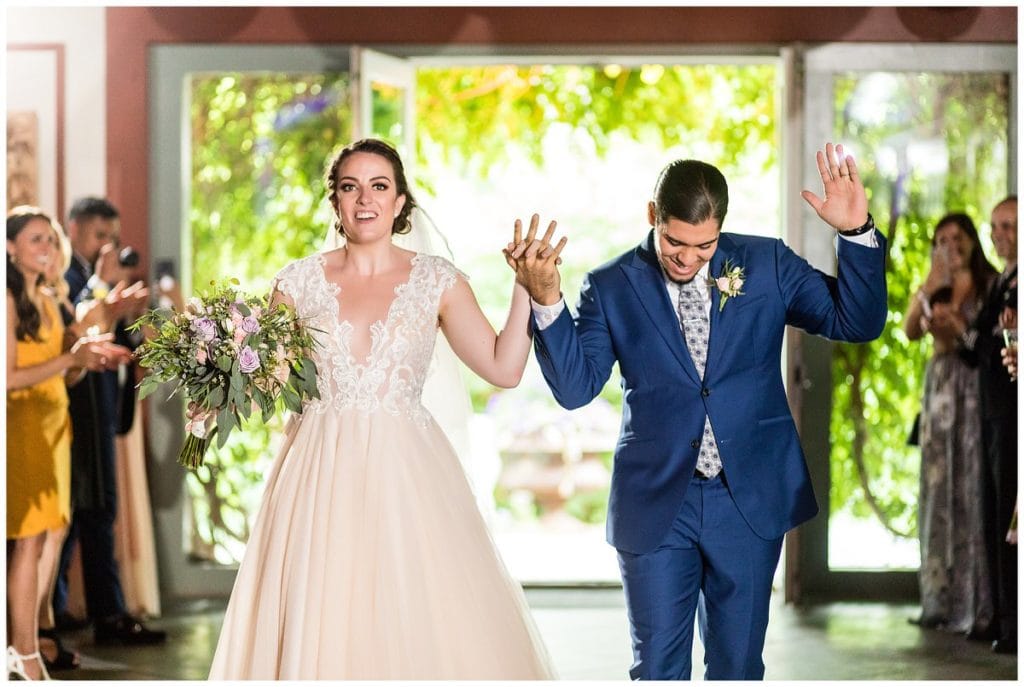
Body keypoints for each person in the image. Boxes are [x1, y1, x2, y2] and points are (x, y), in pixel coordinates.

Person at [506, 143, 887, 680]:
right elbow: (574, 388)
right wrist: (546, 297)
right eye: (674, 242)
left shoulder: (766, 263)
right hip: (657, 502)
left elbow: (857, 321)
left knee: (736, 666)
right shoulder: (611, 286)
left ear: (721, 228)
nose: (687, 258)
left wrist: (856, 234)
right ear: (652, 217)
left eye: (704, 246)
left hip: (748, 498)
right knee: (658, 668)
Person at [209, 138, 553, 679]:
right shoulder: (296, 283)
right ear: (336, 203)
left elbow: (502, 368)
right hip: (317, 475)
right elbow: (270, 381)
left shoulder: (437, 280)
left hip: (407, 478)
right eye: (350, 187)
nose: (364, 199)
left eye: (379, 186)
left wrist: (524, 290)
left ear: (399, 203)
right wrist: (216, 391)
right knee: (319, 610)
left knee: (409, 614)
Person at [6, 207, 129, 680]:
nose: (47, 248)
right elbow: (10, 378)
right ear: (11, 247)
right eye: (36, 239)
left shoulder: (47, 296)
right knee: (28, 541)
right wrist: (69, 359)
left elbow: (66, 367)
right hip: (23, 427)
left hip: (56, 427)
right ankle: (23, 653)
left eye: (50, 240)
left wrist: (86, 357)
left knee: (47, 538)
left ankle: (32, 642)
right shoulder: (9, 299)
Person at [52, 197, 164, 645]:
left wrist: (130, 315)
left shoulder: (98, 278)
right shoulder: (69, 274)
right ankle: (99, 613)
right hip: (76, 405)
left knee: (90, 509)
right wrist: (101, 286)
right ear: (75, 229)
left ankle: (57, 609)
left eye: (112, 239)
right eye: (100, 236)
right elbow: (73, 327)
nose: (107, 247)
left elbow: (123, 340)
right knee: (90, 509)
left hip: (101, 404)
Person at [902, 213, 997, 637]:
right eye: (941, 238)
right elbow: (908, 331)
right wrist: (929, 282)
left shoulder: (991, 283)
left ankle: (975, 599)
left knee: (972, 487)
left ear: (973, 241)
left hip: (973, 387)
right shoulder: (933, 285)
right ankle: (937, 599)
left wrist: (960, 326)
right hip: (940, 390)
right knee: (938, 488)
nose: (950, 245)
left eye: (957, 237)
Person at [957, 195, 1017, 654]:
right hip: (994, 410)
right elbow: (975, 343)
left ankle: (1013, 621)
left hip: (1014, 412)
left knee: (1010, 518)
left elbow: (985, 341)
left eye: (1010, 226)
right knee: (996, 514)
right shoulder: (1003, 282)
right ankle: (1003, 617)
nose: (1001, 236)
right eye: (995, 227)